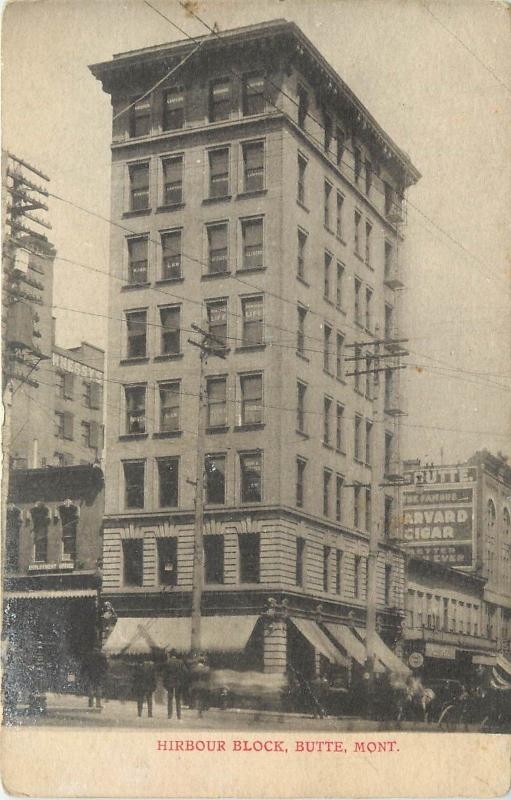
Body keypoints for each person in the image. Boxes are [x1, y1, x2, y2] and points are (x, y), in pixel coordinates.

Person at [163, 649, 187, 720]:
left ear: (171, 655)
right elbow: (185, 671)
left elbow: (165, 674)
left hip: (170, 682)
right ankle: (179, 715)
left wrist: (165, 683)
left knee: (170, 699)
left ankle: (169, 715)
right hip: (178, 682)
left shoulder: (168, 662)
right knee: (178, 699)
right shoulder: (180, 662)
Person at [82, 646, 108, 710]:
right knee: (98, 688)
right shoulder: (102, 656)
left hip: (90, 674)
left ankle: (90, 702)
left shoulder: (89, 656)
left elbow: (85, 665)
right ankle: (98, 703)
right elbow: (106, 666)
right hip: (99, 674)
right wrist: (104, 672)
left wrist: (83, 673)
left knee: (90, 687)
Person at [188, 654, 210, 718]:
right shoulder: (206, 669)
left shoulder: (194, 668)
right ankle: (200, 712)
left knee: (196, 697)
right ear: (204, 662)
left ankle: (197, 710)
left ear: (198, 662)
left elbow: (191, 677)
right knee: (202, 698)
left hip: (195, 685)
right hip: (203, 685)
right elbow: (208, 678)